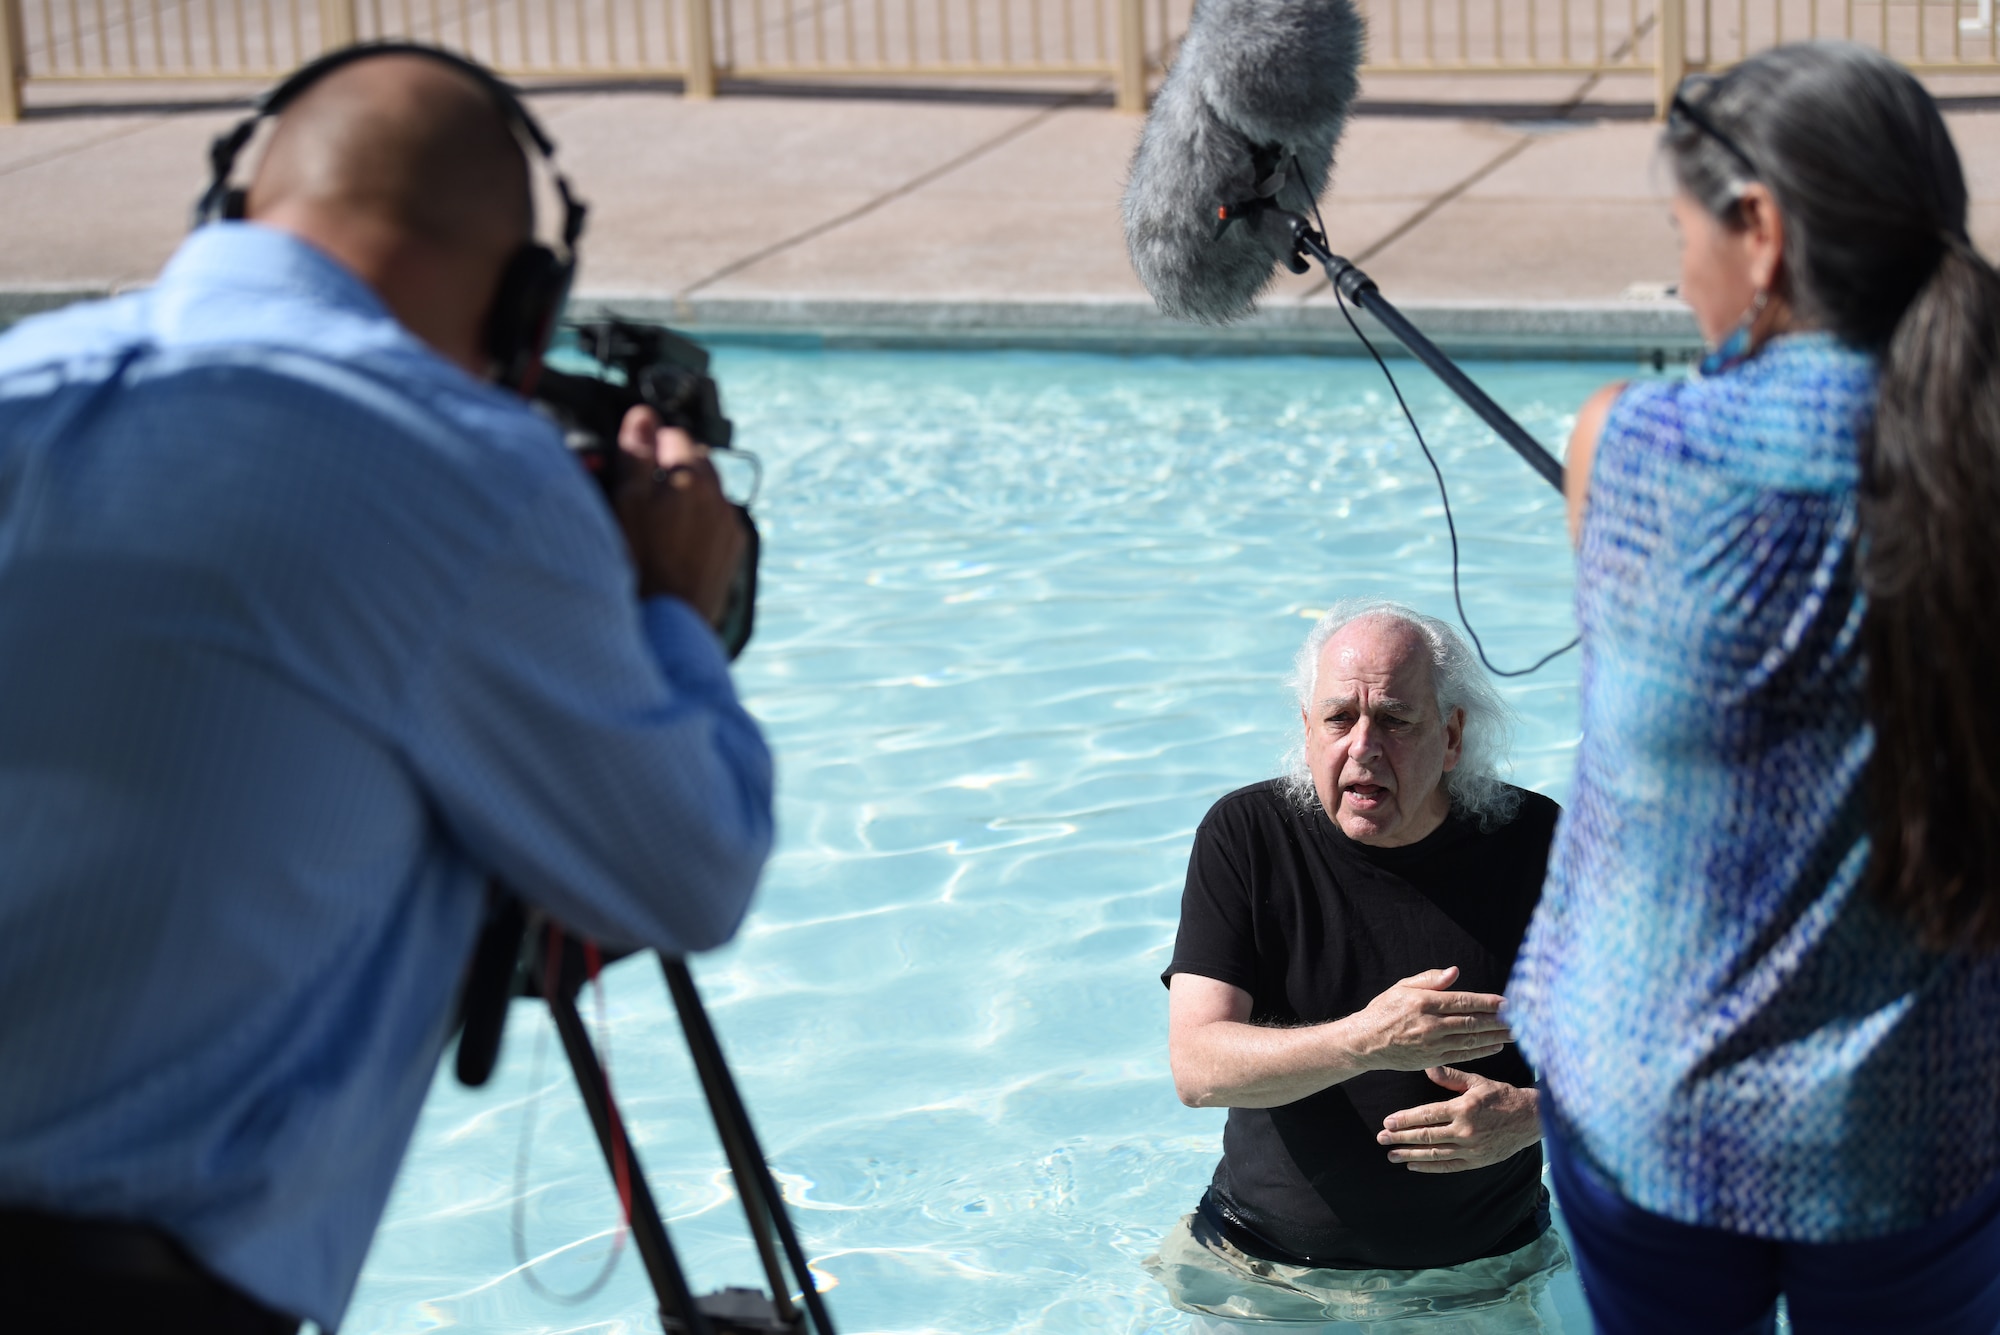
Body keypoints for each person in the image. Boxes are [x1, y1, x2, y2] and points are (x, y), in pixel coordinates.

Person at [0, 47, 772, 1335]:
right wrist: (672, 607)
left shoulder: (25, 385)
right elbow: (688, 871)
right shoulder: (463, 483)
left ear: (224, 215)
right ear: (528, 302)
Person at [1507, 41, 2000, 1335]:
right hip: (1928, 1114)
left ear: (1763, 233)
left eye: (1685, 234)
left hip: (1644, 1100)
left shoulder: (1626, 446)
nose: (1682, 275)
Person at [1148, 599, 1570, 1332]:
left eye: (1397, 720)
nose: (1364, 746)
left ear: (1452, 735)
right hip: (1261, 1271)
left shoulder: (1540, 845)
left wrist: (1535, 1118)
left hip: (1485, 1278)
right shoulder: (1246, 837)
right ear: (1307, 729)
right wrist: (1369, 1039)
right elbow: (1197, 1066)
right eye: (1340, 718)